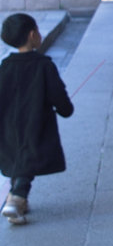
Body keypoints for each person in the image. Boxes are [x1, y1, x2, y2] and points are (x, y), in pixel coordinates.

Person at [0, 13, 74, 226]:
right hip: (35, 124)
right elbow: (58, 94)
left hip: (8, 126)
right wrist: (65, 108)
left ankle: (17, 200)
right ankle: (16, 199)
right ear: (33, 35)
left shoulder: (5, 67)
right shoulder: (44, 65)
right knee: (28, 160)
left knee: (19, 158)